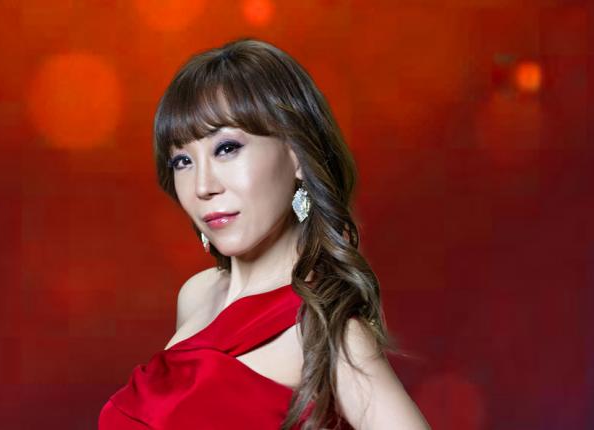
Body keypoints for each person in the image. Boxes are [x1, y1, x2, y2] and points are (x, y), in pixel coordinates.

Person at [99, 38, 430, 430]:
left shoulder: (327, 330)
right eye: (183, 161)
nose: (203, 186)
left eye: (226, 148)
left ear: (296, 155)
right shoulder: (196, 295)